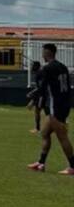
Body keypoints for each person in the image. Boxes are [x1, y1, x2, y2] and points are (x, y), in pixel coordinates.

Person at [27, 44, 74, 175]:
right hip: (64, 104)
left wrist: (32, 99)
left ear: (47, 53)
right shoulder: (63, 67)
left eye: (43, 52)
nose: (42, 54)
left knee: (62, 136)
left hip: (55, 106)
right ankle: (41, 163)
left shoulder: (47, 68)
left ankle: (72, 166)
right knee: (45, 133)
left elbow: (42, 88)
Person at [26, 61, 44, 135]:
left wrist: (32, 94)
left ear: (36, 66)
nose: (31, 67)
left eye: (32, 66)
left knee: (38, 111)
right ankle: (37, 128)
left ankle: (38, 129)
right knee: (37, 111)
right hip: (41, 95)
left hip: (42, 95)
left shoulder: (39, 74)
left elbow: (41, 87)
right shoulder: (40, 73)